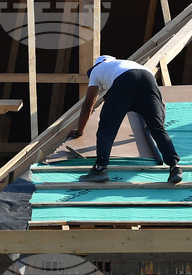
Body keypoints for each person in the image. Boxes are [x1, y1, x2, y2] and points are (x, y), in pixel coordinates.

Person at [69, 55, 183, 184]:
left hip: (124, 82)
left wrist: (79, 132)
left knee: (107, 128)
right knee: (157, 128)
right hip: (148, 79)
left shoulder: (97, 69)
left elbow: (88, 105)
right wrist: (155, 123)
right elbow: (161, 102)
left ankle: (100, 169)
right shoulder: (129, 64)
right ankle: (175, 167)